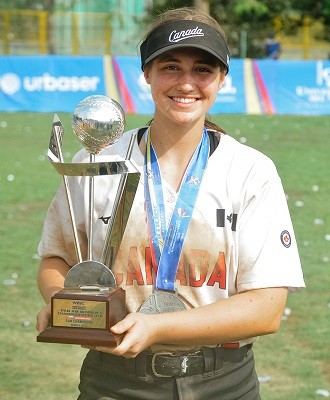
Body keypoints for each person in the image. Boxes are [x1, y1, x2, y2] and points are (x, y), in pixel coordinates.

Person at [36, 7, 305, 400]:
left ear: (221, 79)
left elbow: (266, 308)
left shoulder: (251, 171)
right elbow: (56, 260)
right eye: (171, 67)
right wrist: (63, 305)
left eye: (202, 69)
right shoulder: (96, 163)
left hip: (223, 382)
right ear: (146, 73)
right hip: (115, 382)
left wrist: (158, 328)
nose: (187, 83)